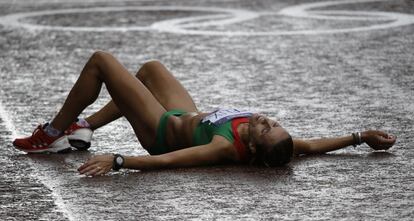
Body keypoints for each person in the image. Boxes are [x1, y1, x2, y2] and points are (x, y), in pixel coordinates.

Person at [13, 51, 397, 176]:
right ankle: (83, 128)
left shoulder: (224, 147)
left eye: (265, 129)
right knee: (150, 69)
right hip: (185, 110)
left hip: (161, 128)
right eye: (274, 123)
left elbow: (171, 160)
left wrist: (117, 159)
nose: (266, 121)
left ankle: (53, 132)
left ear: (253, 146)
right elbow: (311, 145)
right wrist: (360, 137)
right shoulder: (276, 142)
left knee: (101, 63)